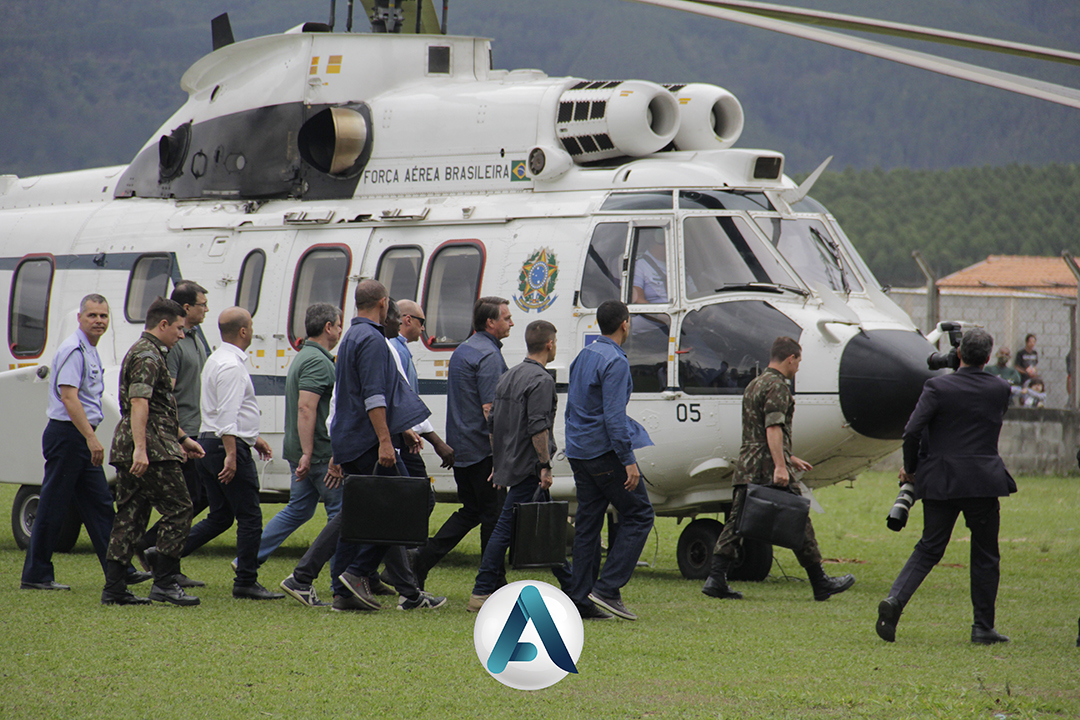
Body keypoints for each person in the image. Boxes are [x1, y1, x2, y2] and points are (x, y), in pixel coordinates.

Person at [875, 328, 1015, 645]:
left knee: (928, 548)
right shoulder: (1001, 388)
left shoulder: (937, 386)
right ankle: (982, 627)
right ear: (989, 357)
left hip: (940, 479)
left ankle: (895, 601)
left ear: (959, 354)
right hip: (982, 480)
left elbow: (912, 431)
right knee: (985, 554)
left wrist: (911, 469)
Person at [702, 336, 855, 603]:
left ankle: (716, 578)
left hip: (748, 463)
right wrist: (782, 466)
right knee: (799, 520)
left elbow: (758, 429)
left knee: (737, 523)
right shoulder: (778, 387)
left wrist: (790, 456)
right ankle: (820, 582)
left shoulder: (755, 384)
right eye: (798, 362)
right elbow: (773, 427)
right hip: (767, 466)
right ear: (790, 358)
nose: (798, 368)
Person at [324, 280, 440, 612]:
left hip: (349, 438)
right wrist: (386, 442)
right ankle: (357, 574)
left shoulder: (350, 337)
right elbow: (374, 397)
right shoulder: (373, 340)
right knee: (402, 508)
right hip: (369, 440)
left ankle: (346, 592)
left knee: (365, 513)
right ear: (384, 303)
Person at [22, 295, 150, 591]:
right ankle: (36, 575)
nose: (99, 321)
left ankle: (121, 568)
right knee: (53, 507)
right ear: (80, 318)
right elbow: (69, 397)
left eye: (104, 316)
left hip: (79, 436)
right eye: (92, 315)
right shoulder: (74, 349)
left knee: (101, 506)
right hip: (69, 436)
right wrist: (91, 438)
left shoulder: (90, 349)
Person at [102, 297, 206, 606]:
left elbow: (158, 408)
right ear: (162, 325)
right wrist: (141, 450)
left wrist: (184, 439)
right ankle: (164, 582)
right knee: (180, 508)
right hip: (152, 448)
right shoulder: (149, 355)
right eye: (178, 328)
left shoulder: (144, 352)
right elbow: (140, 403)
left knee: (130, 516)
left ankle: (115, 588)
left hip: (143, 443)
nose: (181, 334)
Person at [181, 307, 282, 600]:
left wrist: (255, 438)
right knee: (250, 516)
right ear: (243, 331)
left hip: (210, 441)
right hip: (225, 444)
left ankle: (163, 553)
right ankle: (246, 581)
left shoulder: (216, 359)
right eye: (251, 326)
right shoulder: (233, 366)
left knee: (221, 516)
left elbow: (222, 411)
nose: (252, 331)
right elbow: (227, 415)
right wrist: (233, 454)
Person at [411, 297, 513, 590]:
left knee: (472, 510)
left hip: (462, 448)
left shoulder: (463, 350)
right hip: (483, 450)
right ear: (490, 322)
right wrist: (500, 455)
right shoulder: (489, 356)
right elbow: (489, 410)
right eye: (506, 318)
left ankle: (421, 560)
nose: (511, 322)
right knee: (493, 516)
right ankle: (493, 582)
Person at [468, 320, 570, 612]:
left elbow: (493, 423)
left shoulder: (508, 376)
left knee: (542, 527)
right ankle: (482, 589)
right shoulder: (542, 380)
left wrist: (499, 461)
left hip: (511, 464)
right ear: (550, 344)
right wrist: (545, 465)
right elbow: (539, 428)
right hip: (529, 467)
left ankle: (573, 586)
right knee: (506, 529)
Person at [564, 300, 655, 621]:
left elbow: (572, 407)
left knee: (588, 524)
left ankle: (580, 600)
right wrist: (628, 461)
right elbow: (614, 418)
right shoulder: (615, 361)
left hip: (579, 451)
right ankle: (607, 588)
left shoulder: (583, 356)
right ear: (625, 324)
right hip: (604, 453)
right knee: (640, 514)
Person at [252, 303, 344, 566]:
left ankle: (249, 558)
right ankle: (341, 580)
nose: (340, 331)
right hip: (318, 454)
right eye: (338, 325)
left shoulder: (305, 355)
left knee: (299, 509)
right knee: (339, 516)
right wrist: (308, 453)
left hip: (303, 452)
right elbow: (306, 408)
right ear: (328, 328)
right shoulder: (318, 361)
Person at [136, 280, 210, 587]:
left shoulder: (194, 338)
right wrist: (176, 437)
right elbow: (169, 393)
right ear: (187, 308)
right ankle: (155, 553)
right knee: (187, 500)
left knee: (197, 497)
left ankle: (160, 554)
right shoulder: (174, 346)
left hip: (195, 429)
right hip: (180, 432)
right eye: (202, 304)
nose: (206, 309)